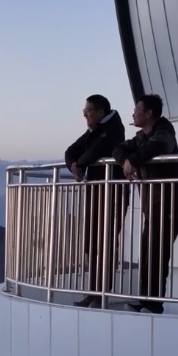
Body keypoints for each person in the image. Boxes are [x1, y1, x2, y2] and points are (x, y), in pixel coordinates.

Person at [112, 94, 178, 314]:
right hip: (153, 207)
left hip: (167, 206)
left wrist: (133, 160)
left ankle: (153, 304)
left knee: (157, 253)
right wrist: (125, 160)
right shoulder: (142, 136)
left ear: (149, 113)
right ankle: (146, 300)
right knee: (148, 251)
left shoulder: (164, 132)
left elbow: (157, 147)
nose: (133, 113)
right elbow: (118, 149)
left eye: (137, 109)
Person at [63, 94, 128, 308]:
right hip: (96, 190)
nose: (85, 115)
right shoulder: (95, 130)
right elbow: (71, 151)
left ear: (101, 112)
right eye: (84, 111)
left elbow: (98, 150)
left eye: (88, 111)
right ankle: (93, 292)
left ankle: (101, 293)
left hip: (113, 192)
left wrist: (80, 165)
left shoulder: (112, 129)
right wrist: (74, 166)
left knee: (105, 241)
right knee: (92, 242)